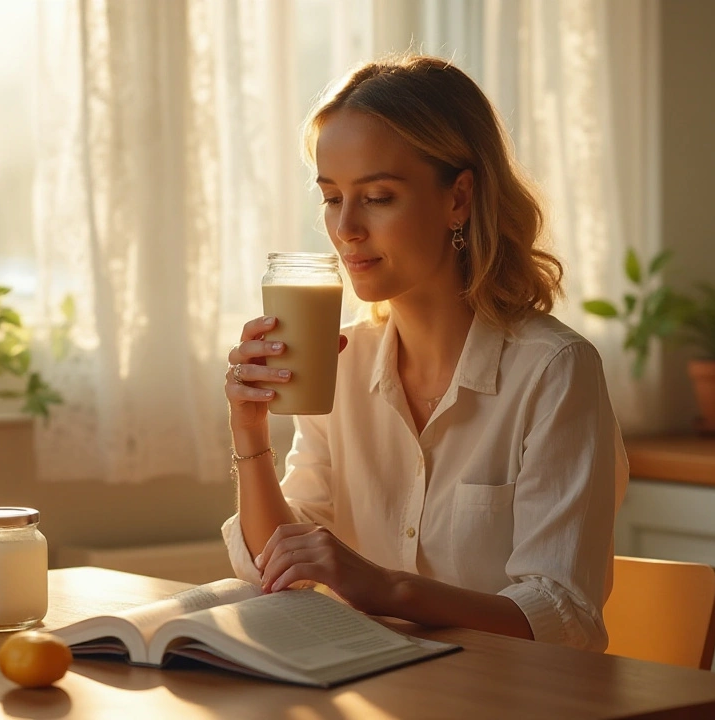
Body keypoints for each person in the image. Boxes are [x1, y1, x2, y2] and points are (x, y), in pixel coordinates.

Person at [221, 54, 628, 651]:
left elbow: (562, 617)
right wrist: (249, 430)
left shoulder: (553, 372)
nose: (346, 228)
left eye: (378, 197)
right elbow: (277, 566)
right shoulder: (342, 361)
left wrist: (385, 587)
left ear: (458, 198)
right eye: (332, 198)